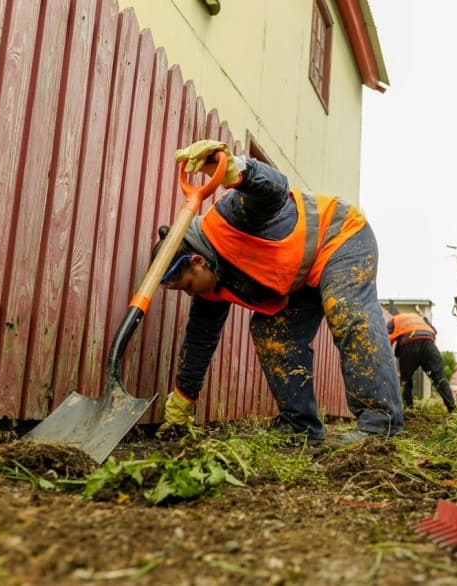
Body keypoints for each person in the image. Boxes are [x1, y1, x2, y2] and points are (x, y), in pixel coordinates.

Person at [155, 139, 403, 445]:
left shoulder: (231, 216)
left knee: (346, 311)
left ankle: (380, 426)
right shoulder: (211, 283)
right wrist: (183, 396)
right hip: (301, 277)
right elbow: (199, 341)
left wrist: (237, 170)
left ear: (197, 261)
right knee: (272, 331)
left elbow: (275, 188)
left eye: (188, 286)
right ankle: (299, 428)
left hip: (338, 238)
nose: (190, 295)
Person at [386, 310, 457, 413]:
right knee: (440, 377)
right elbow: (434, 331)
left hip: (409, 344)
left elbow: (386, 338)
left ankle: (409, 408)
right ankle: (452, 409)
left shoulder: (394, 320)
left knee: (406, 381)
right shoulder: (421, 318)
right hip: (428, 342)